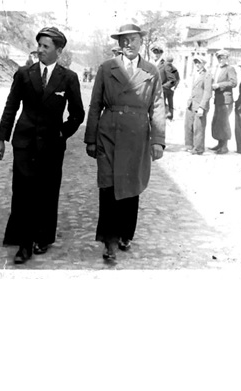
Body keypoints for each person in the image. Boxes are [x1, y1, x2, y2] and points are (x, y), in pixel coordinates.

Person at [0, 27, 85, 264]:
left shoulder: (68, 78)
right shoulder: (24, 74)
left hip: (52, 146)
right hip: (24, 143)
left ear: (59, 51)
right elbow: (11, 106)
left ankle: (43, 237)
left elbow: (78, 113)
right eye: (39, 45)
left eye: (46, 46)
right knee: (23, 192)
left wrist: (62, 132)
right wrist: (2, 138)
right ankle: (23, 245)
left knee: (47, 192)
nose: (40, 50)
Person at [84, 23, 165, 262]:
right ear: (119, 44)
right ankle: (109, 241)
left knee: (131, 185)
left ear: (141, 41)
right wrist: (90, 139)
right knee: (108, 186)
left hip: (137, 136)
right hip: (109, 134)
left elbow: (158, 106)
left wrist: (158, 140)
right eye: (124, 40)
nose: (128, 44)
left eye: (133, 40)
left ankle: (125, 234)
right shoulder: (106, 68)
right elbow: (95, 104)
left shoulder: (151, 71)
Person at [209, 49, 237, 154]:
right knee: (217, 122)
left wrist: (219, 85)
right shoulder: (217, 69)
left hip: (226, 100)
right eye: (219, 58)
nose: (221, 60)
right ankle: (220, 144)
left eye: (223, 58)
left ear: (227, 58)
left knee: (224, 122)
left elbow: (233, 83)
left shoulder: (230, 68)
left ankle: (224, 147)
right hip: (218, 99)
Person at [184, 55, 212, 155]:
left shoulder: (207, 75)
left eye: (199, 63)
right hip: (191, 104)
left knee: (198, 128)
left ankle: (198, 149)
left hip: (199, 105)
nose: (197, 64)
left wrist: (202, 107)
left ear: (203, 64)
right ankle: (189, 146)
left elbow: (208, 92)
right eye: (195, 62)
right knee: (188, 126)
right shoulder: (194, 74)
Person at [161, 55, 180, 120]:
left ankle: (166, 115)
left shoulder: (164, 67)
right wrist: (174, 87)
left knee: (163, 102)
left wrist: (164, 86)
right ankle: (170, 116)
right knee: (170, 102)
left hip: (165, 88)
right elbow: (178, 79)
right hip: (171, 89)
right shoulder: (174, 68)